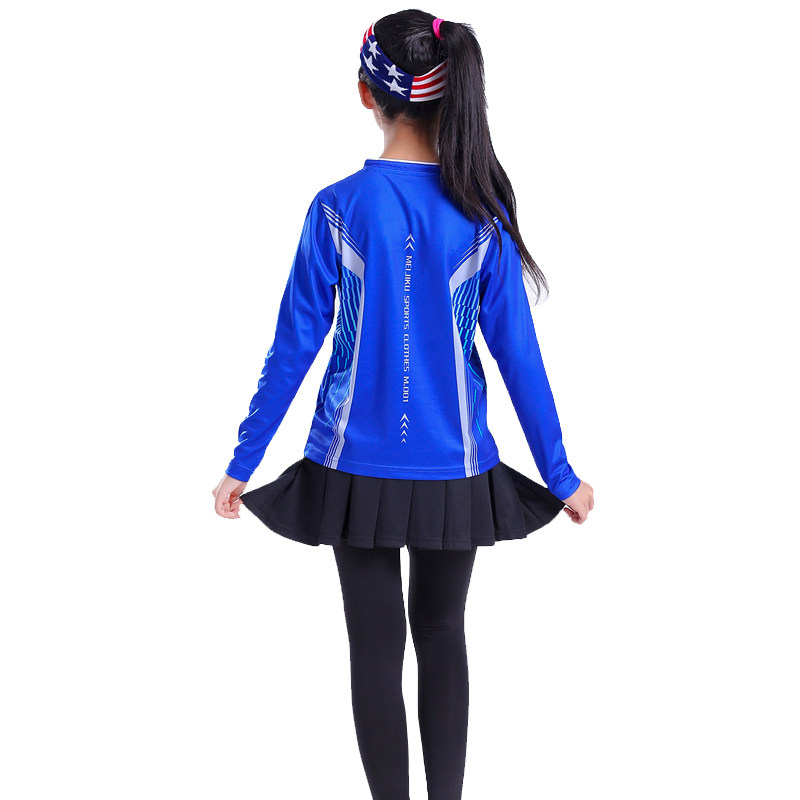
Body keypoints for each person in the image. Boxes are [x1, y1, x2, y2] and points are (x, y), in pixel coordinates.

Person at [212, 10, 594, 800]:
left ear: (366, 93)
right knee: (445, 635)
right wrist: (561, 475)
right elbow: (520, 360)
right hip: (456, 468)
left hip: (352, 466)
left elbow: (292, 348)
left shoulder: (337, 207)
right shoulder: (482, 217)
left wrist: (241, 463)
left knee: (375, 648)